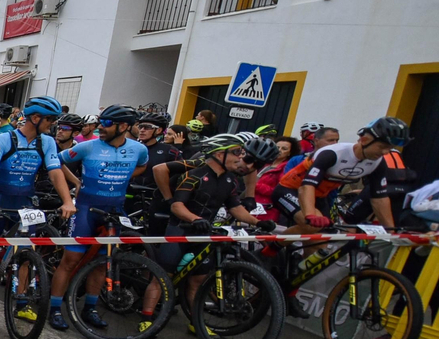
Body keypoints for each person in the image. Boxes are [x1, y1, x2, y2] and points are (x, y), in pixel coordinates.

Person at [141, 135, 275, 324]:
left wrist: (258, 222)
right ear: (220, 154)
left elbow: (235, 208)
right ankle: (146, 318)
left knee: (198, 281)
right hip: (180, 229)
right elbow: (177, 206)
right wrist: (193, 218)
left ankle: (197, 324)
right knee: (163, 278)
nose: (240, 158)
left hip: (203, 233)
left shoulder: (230, 180)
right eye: (237, 153)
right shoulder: (194, 173)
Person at [0, 96, 75, 320]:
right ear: (35, 118)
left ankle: (22, 301)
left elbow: (55, 172)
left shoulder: (47, 142)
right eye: (50, 120)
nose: (52, 124)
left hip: (25, 200)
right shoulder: (6, 138)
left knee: (26, 252)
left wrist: (67, 201)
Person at [47, 104, 150, 331]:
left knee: (103, 263)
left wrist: (121, 176)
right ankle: (54, 309)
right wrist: (75, 182)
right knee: (70, 261)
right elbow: (56, 161)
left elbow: (142, 166)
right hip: (86, 210)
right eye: (100, 122)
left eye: (107, 123)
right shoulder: (88, 147)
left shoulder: (138, 149)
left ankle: (90, 308)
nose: (100, 127)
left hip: (114, 211)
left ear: (123, 126)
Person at [274, 116, 408, 232]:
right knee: (312, 226)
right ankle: (273, 248)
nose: (386, 152)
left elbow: (379, 198)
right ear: (365, 140)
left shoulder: (377, 162)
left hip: (320, 196)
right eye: (382, 147)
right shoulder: (332, 154)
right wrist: (310, 215)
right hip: (290, 190)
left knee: (320, 243)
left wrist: (390, 231)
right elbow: (306, 186)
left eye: (390, 149)